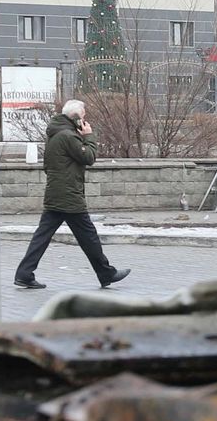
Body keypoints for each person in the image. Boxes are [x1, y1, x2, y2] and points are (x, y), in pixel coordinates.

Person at [13, 100, 131, 291]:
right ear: (76, 119)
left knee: (42, 236)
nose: (85, 121)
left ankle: (24, 274)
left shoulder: (56, 133)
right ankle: (106, 273)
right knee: (88, 236)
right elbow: (89, 157)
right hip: (68, 196)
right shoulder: (68, 136)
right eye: (83, 117)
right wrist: (89, 136)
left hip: (57, 193)